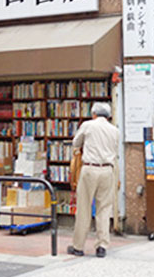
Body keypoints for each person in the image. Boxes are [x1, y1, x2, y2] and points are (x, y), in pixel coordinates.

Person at [68, 102, 118, 258]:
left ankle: (79, 246)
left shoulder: (88, 125)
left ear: (94, 114)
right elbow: (115, 151)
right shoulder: (114, 130)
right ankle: (102, 246)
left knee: (84, 208)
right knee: (104, 209)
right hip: (108, 170)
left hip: (90, 168)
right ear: (109, 116)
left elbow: (76, 143)